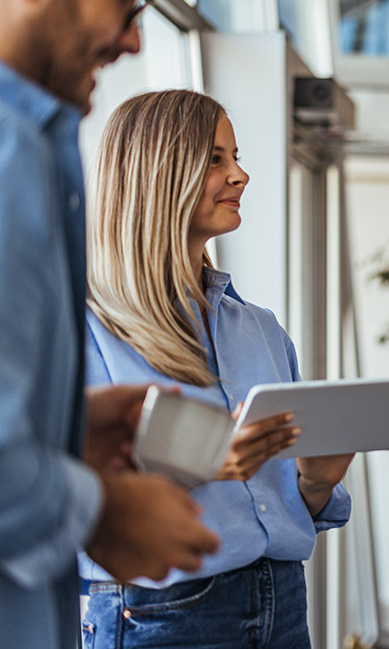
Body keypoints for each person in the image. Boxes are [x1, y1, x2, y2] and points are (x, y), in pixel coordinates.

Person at [80, 89, 355, 649]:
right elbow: (58, 491)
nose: (242, 175)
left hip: (281, 599)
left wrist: (318, 481)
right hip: (161, 613)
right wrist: (200, 461)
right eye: (216, 159)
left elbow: (284, 504)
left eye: (236, 156)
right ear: (158, 172)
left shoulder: (260, 329)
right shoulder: (87, 330)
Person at [0, 0, 220, 646]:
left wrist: (63, 431)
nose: (133, 39)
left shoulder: (32, 146)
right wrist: (101, 512)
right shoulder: (8, 152)